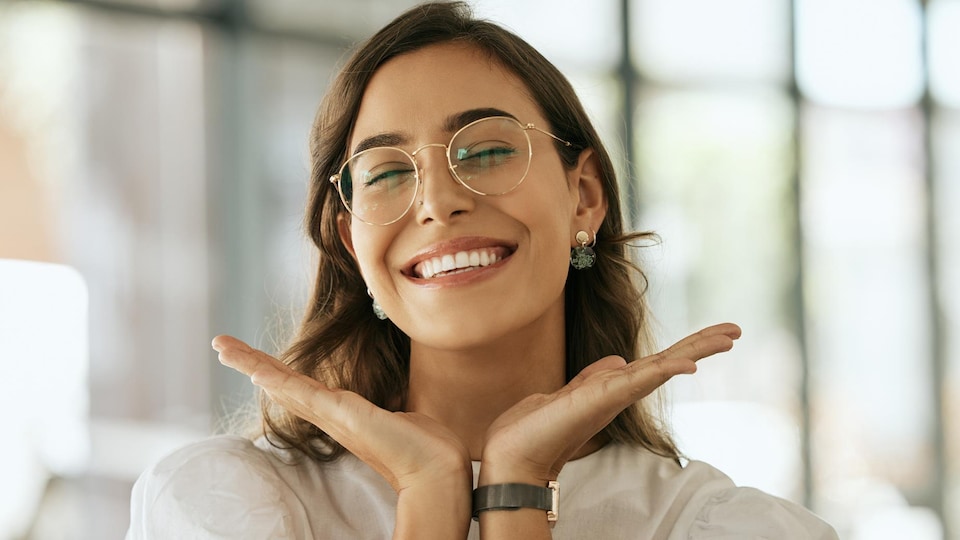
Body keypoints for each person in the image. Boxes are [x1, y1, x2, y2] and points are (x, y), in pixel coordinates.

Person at [127, 2, 838, 538]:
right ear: (350, 243)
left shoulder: (721, 528)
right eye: (384, 173)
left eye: (487, 151)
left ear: (583, 197)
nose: (437, 202)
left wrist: (518, 493)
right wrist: (428, 492)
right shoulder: (223, 505)